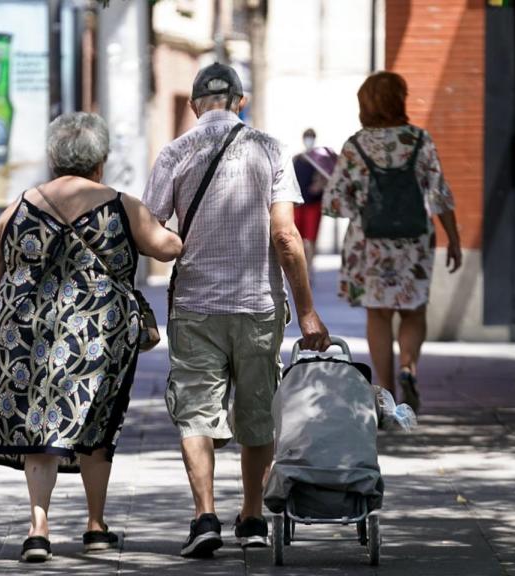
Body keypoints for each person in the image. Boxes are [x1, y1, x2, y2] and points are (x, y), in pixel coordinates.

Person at [0, 112, 182, 563]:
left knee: (39, 426)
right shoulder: (120, 203)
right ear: (101, 160)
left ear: (54, 158)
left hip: (29, 331)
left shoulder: (21, 204)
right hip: (100, 334)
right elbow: (166, 247)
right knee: (98, 423)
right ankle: (96, 526)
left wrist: (15, 308)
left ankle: (38, 529)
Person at [143, 63, 331, 559]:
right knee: (257, 413)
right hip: (257, 305)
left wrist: (176, 248)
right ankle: (251, 518)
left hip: (195, 306)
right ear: (240, 101)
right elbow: (286, 236)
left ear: (193, 105)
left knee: (195, 414)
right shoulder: (270, 149)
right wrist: (308, 311)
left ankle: (204, 515)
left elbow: (152, 232)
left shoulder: (174, 152)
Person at [323, 71, 462, 414]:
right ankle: (409, 369)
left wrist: (361, 208)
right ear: (399, 100)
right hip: (414, 241)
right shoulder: (419, 140)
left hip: (370, 244)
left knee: (379, 315)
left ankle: (385, 392)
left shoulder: (356, 146)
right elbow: (440, 194)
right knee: (413, 311)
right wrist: (455, 240)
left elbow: (333, 202)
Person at [292, 128, 337, 275]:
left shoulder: (320, 159)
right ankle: (300, 267)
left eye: (311, 137)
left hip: (313, 204)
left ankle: (308, 269)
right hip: (298, 205)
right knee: (296, 239)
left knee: (310, 239)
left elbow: (329, 176)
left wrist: (319, 185)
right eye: (307, 137)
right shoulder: (297, 158)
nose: (309, 139)